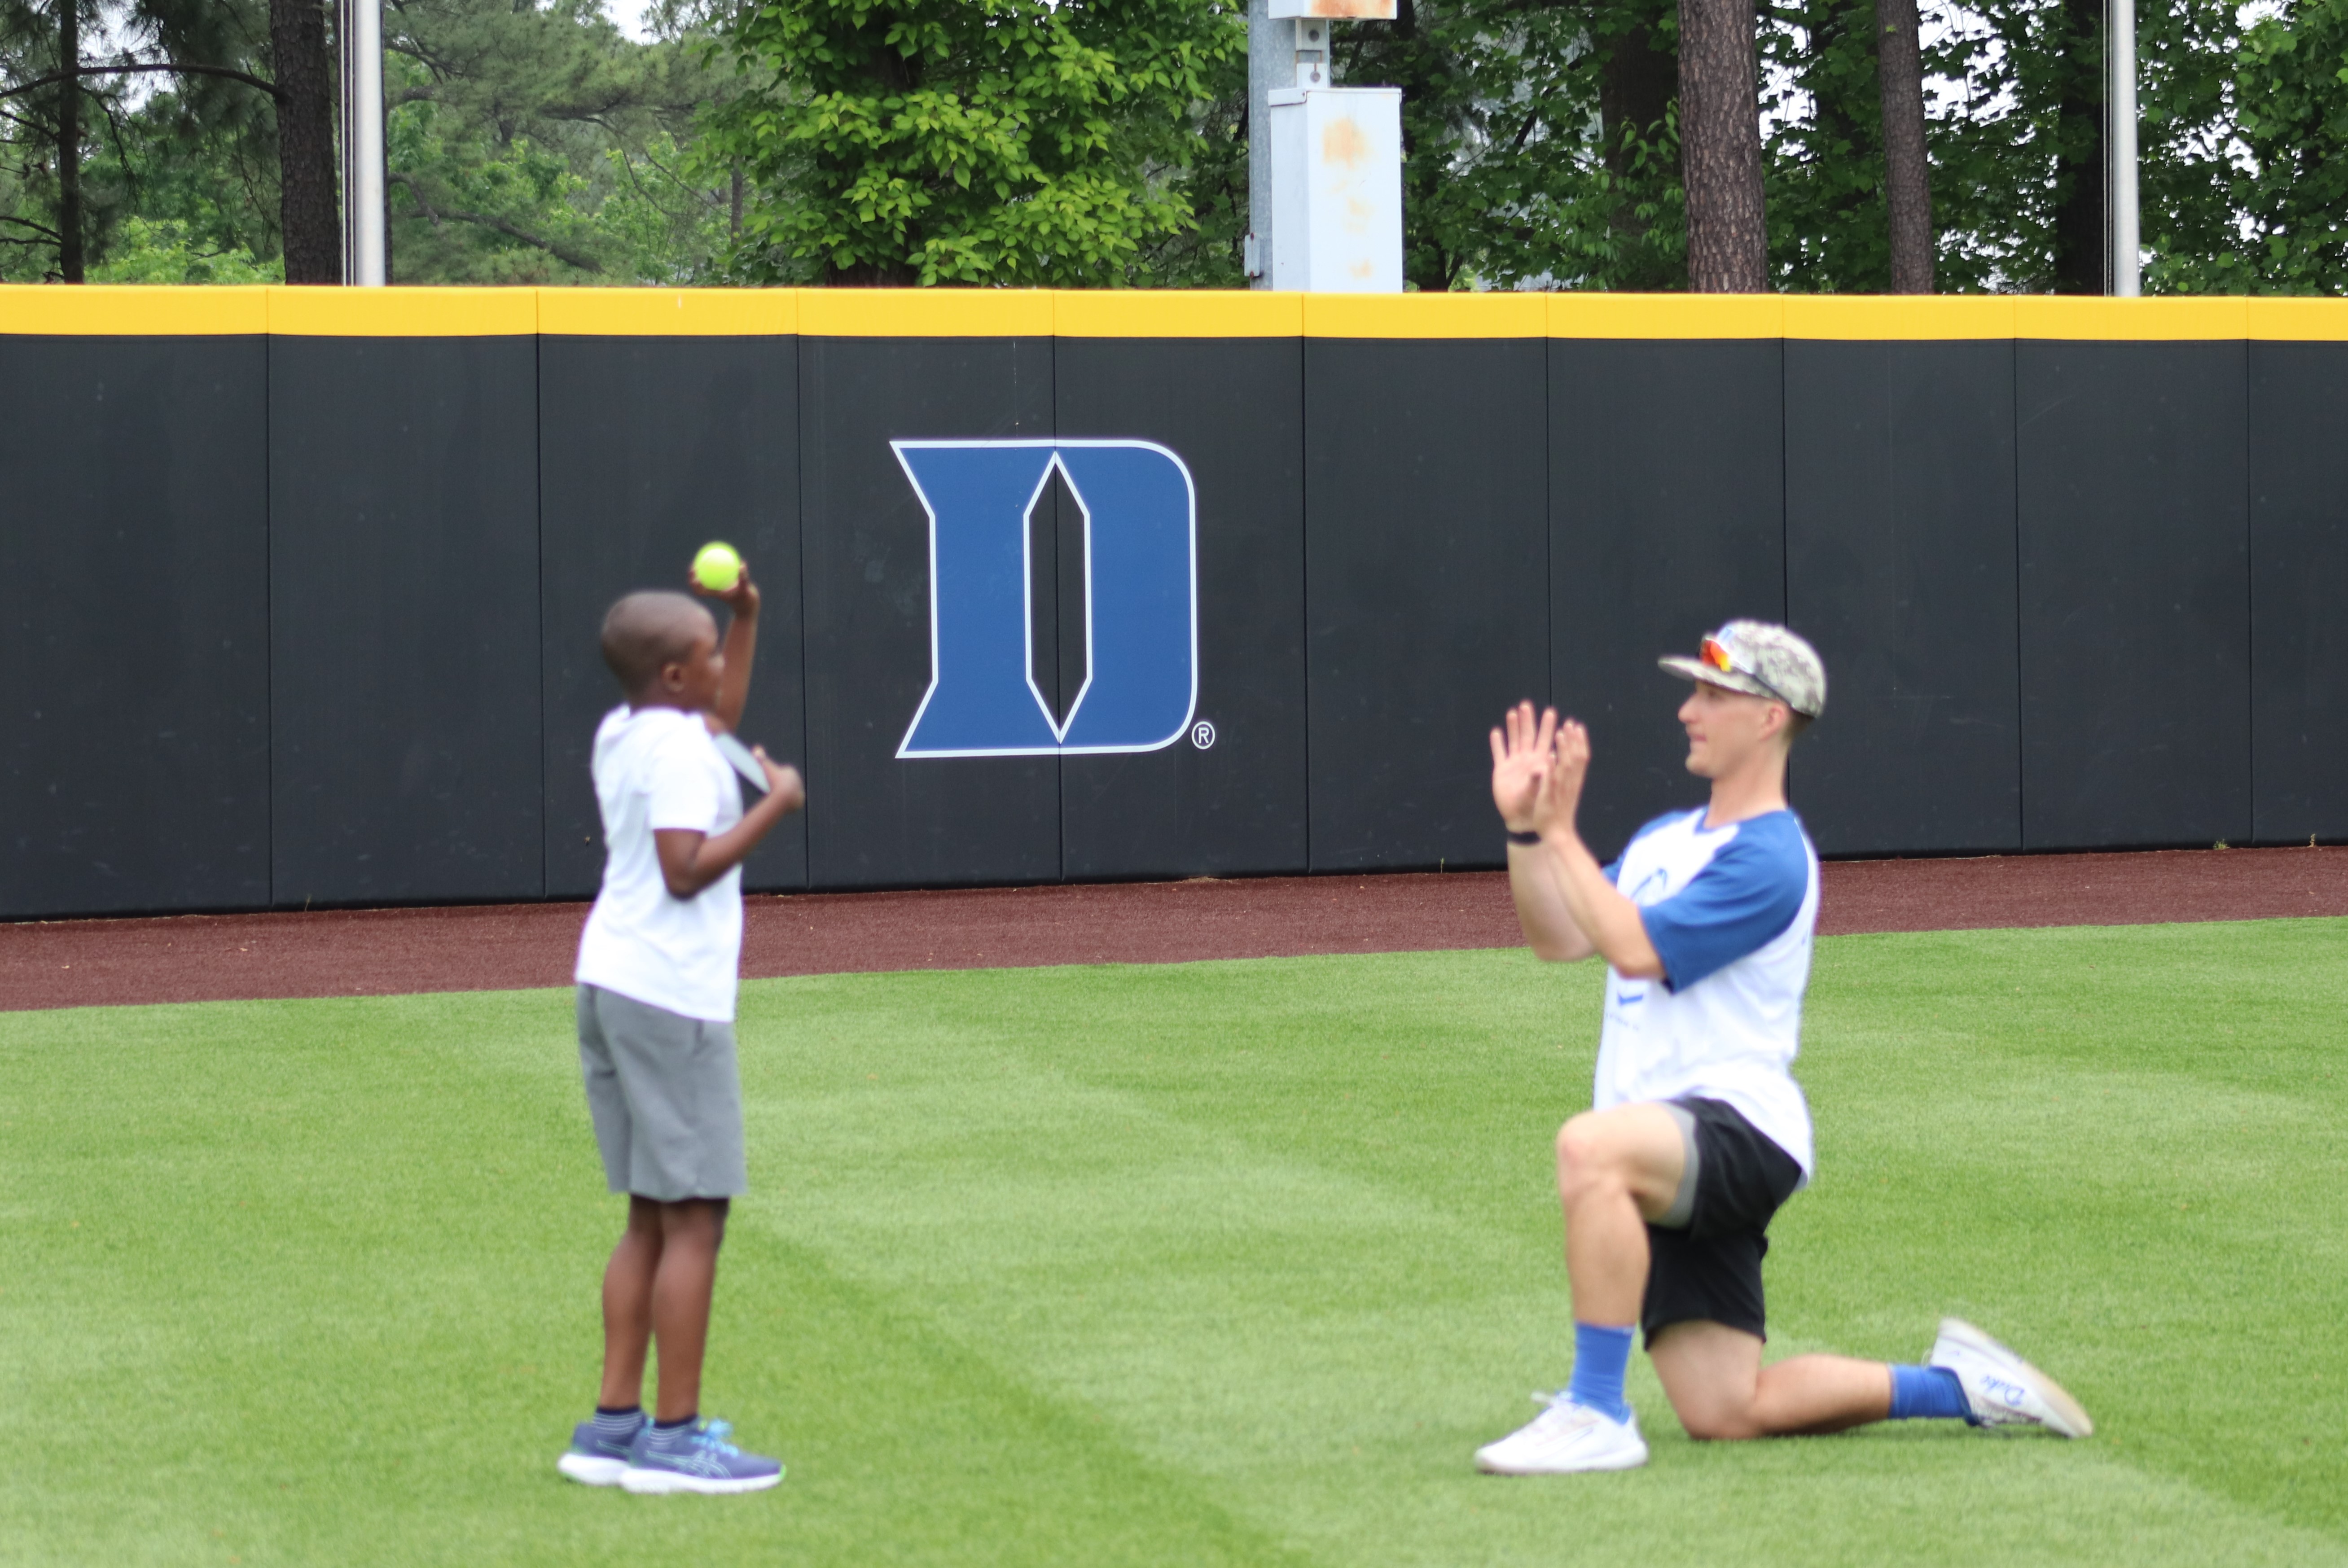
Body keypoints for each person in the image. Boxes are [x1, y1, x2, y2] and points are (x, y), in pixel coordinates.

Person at [1474, 620, 2090, 1475]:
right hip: (1675, 1143)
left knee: (1590, 1149)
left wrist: (1567, 833)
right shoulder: (1663, 841)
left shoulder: (1771, 856)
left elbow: (1634, 949)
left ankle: (1596, 1409)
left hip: (1737, 1129)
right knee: (1729, 1408)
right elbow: (1559, 937)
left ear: (1769, 719)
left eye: (1713, 695)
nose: (1689, 710)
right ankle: (1963, 1386)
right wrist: (1528, 832)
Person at [555, 561, 806, 1495]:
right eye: (705, 654)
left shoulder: (629, 728)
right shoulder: (679, 754)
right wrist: (775, 806)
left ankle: (612, 1425)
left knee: (651, 1220)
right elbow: (685, 868)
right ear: (673, 677)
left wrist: (744, 616)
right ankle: (675, 1439)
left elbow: (722, 713)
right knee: (696, 1216)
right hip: (670, 1001)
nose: (717, 669)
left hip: (611, 983)